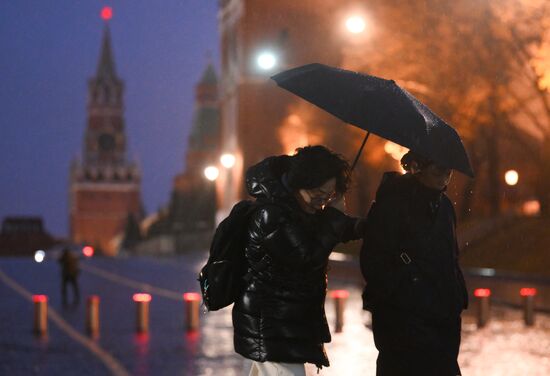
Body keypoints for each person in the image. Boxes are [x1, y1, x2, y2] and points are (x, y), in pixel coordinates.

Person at [233, 145, 364, 376]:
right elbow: (306, 257)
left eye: (328, 197)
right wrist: (334, 217)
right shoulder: (272, 214)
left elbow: (320, 231)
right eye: (318, 195)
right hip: (272, 328)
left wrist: (360, 226)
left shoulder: (296, 209)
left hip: (281, 328)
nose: (321, 203)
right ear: (300, 183)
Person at [360, 151, 469, 376]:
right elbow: (373, 262)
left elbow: (451, 258)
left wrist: (456, 298)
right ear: (417, 167)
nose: (445, 178)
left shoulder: (445, 206)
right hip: (403, 323)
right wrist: (406, 289)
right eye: (439, 170)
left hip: (442, 323)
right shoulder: (391, 204)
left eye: (449, 172)